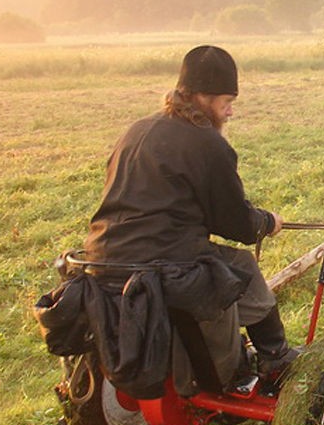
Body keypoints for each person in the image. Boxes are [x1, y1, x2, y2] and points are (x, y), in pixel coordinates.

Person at [82, 45, 297, 396]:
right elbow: (235, 224)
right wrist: (265, 222)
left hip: (102, 258)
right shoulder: (207, 143)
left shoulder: (138, 130)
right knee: (241, 266)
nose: (229, 112)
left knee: (223, 263)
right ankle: (276, 358)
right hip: (163, 263)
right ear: (202, 97)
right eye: (226, 101)